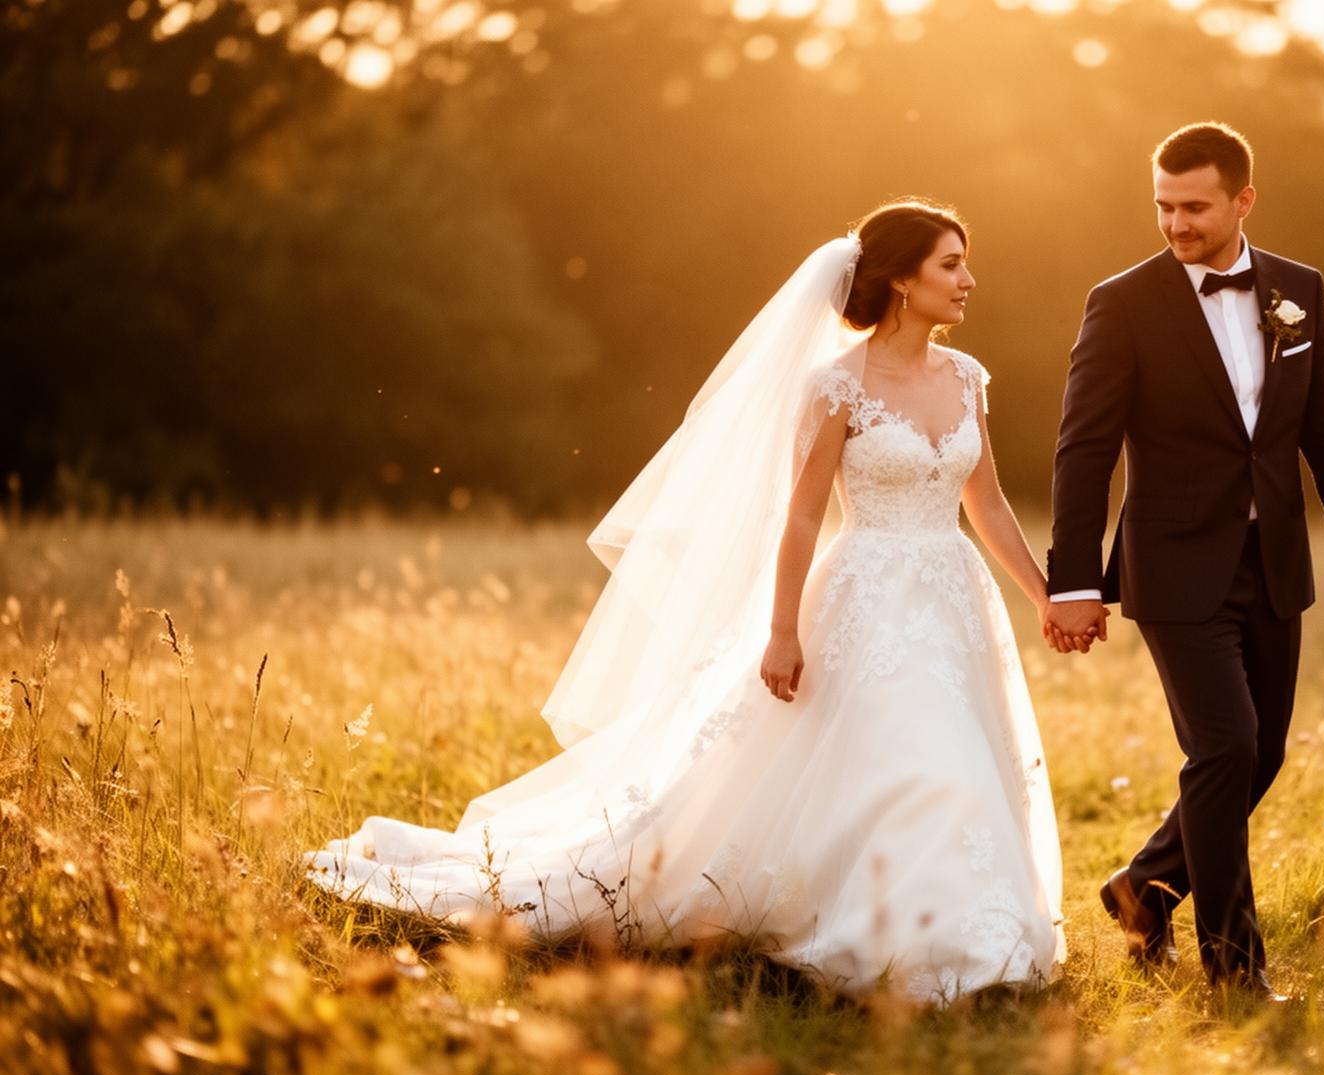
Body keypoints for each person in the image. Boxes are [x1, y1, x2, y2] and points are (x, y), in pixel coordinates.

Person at [308, 201, 1065, 1005]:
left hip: (950, 601)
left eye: (964, 262)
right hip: (864, 599)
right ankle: (907, 939)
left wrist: (1048, 596)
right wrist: (781, 632)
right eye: (951, 264)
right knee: (914, 761)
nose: (968, 280)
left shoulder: (966, 379)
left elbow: (987, 505)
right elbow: (804, 513)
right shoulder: (838, 387)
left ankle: (974, 933)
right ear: (901, 280)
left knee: (960, 755)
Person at [1044, 122, 1324, 1002]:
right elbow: (1083, 449)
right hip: (1173, 565)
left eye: (1193, 206)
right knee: (1226, 744)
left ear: (1243, 200)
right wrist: (1075, 581)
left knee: (1260, 751)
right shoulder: (1121, 302)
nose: (1175, 222)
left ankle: (1141, 891)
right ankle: (1234, 972)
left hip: (1271, 560)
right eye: (1162, 205)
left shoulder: (1300, 292)